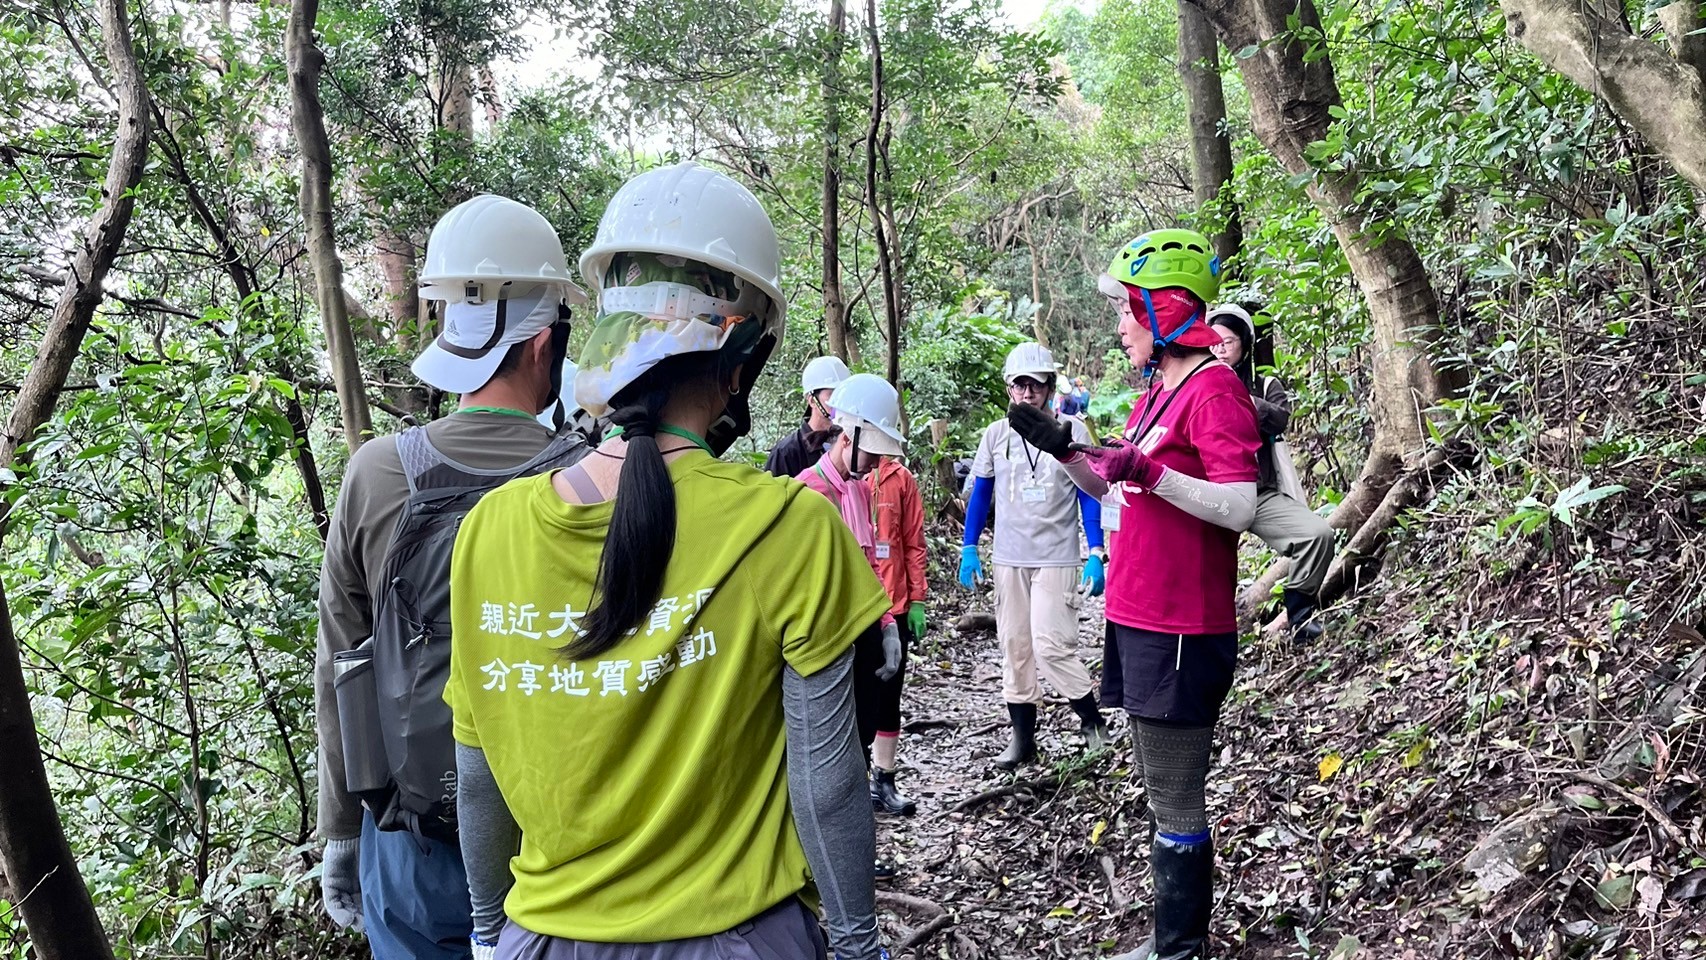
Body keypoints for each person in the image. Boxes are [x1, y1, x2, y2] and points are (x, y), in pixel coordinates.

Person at [443, 162, 888, 960]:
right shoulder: (789, 525)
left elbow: (478, 777)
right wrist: (857, 944)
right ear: (741, 360)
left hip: (538, 940)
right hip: (737, 940)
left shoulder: (490, 530)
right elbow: (828, 782)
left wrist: (485, 932)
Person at [314, 194, 589, 959]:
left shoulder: (377, 473)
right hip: (558, 848)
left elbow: (341, 662)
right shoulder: (595, 478)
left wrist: (339, 828)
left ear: (446, 326)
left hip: (410, 841)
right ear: (545, 344)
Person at [1008, 228, 1260, 960]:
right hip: (1142, 614)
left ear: (1164, 308)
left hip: (1185, 624)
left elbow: (1238, 506)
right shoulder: (1160, 390)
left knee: (1176, 793)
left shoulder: (1212, 390)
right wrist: (1065, 449)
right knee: (1159, 787)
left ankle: (1181, 949)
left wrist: (1148, 473)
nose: (1120, 324)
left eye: (1127, 309)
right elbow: (1114, 483)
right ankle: (1170, 942)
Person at [961, 341, 1112, 770]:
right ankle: (1023, 738)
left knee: (1050, 644)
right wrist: (970, 546)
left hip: (1056, 555)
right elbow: (981, 494)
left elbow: (1089, 494)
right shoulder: (995, 434)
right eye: (1019, 385)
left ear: (1049, 387)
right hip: (1009, 556)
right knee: (1015, 645)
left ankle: (1092, 723)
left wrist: (1096, 551)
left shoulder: (1072, 431)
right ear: (1009, 388)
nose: (1027, 394)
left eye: (1036, 385)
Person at [1208, 305, 1333, 642]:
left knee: (1317, 535)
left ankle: (1301, 613)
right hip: (1210, 495)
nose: (1219, 349)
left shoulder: (1265, 384)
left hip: (1258, 492)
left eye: (1228, 342)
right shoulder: (1196, 384)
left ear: (1245, 344)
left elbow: (1280, 419)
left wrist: (1241, 398)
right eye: (1213, 343)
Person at [866, 424, 929, 818]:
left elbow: (913, 542)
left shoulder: (901, 479)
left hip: (897, 602)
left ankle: (883, 780)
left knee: (890, 697)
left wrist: (917, 599)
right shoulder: (846, 477)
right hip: (860, 608)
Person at [764, 355, 850, 477]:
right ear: (812, 401)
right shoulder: (787, 452)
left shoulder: (848, 442)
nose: (839, 402)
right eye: (833, 395)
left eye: (843, 395)